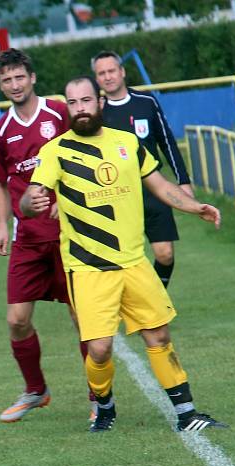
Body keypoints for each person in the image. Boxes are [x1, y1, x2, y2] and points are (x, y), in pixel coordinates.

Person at [20, 77, 228, 433]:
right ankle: (104, 406)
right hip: (88, 269)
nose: (81, 108)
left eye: (86, 100)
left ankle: (187, 413)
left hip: (134, 263)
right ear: (67, 108)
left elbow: (160, 185)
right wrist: (30, 203)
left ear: (99, 102)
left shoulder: (128, 143)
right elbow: (29, 199)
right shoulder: (56, 151)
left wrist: (195, 207)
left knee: (159, 336)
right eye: (73, 103)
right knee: (99, 350)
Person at [0, 48, 91, 423]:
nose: (14, 85)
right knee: (16, 320)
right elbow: (2, 184)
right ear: (0, 85)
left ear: (32, 78)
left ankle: (99, 396)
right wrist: (2, 225)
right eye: (6, 79)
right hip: (27, 239)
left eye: (19, 77)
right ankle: (36, 390)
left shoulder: (60, 112)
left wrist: (68, 200)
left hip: (69, 235)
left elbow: (82, 156)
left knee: (83, 318)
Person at [92, 50, 194, 288]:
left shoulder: (146, 102)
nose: (107, 77)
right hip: (117, 195)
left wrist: (183, 181)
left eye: (111, 71)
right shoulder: (96, 112)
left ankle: (155, 304)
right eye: (101, 73)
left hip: (154, 189)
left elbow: (167, 142)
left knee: (165, 254)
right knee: (122, 262)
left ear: (122, 72)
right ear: (96, 79)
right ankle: (140, 312)